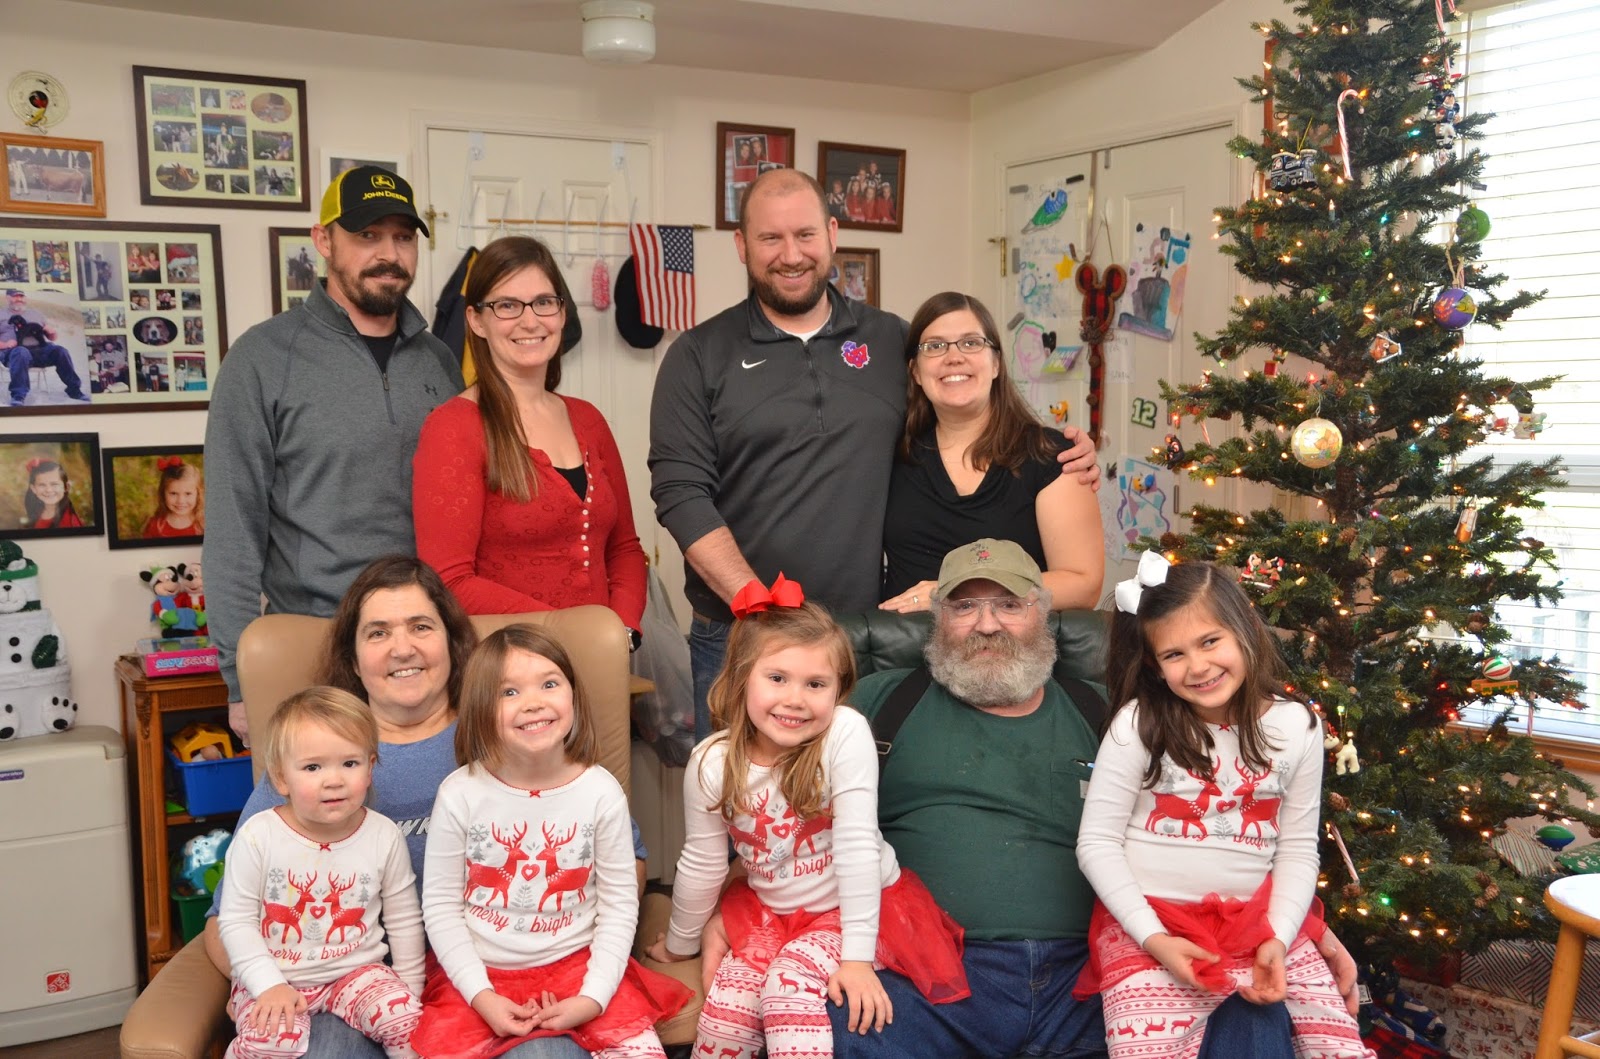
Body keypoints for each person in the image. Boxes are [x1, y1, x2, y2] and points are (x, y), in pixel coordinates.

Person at [803, 538, 1357, 1057]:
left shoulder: (1111, 712)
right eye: (964, 606)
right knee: (830, 1023)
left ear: (1043, 613)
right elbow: (781, 804)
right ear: (936, 618)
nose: (987, 624)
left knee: (1250, 1012)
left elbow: (1222, 816)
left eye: (1009, 605)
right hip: (928, 976)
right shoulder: (878, 702)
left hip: (1091, 975)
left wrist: (1299, 929)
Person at [649, 167, 1099, 741]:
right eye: (770, 238)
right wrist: (755, 603)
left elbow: (962, 404)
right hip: (741, 633)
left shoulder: (891, 341)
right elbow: (680, 491)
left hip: (867, 635)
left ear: (833, 235)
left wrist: (1060, 446)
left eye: (805, 235)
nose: (792, 254)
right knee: (740, 790)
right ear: (742, 245)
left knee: (862, 790)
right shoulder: (697, 354)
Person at [202, 556, 594, 1059]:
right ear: (353, 656)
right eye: (378, 632)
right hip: (346, 984)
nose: (402, 648)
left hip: (501, 975)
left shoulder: (511, 732)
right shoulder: (309, 759)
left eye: (421, 627)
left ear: (452, 641)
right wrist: (263, 985)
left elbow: (618, 857)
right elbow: (225, 919)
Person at [646, 580, 967, 1058]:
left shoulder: (844, 733)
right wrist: (680, 942)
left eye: (815, 684)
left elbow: (857, 847)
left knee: (787, 987)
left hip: (861, 913)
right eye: (777, 678)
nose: (795, 699)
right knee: (727, 1009)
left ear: (838, 690)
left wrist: (856, 960)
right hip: (771, 911)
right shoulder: (711, 761)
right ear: (741, 678)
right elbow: (703, 861)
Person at [1074, 554, 1373, 1057]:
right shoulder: (1138, 724)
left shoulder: (1297, 726)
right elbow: (1096, 843)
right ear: (1154, 666)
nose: (1198, 666)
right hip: (1152, 926)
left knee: (1340, 1044)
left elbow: (1298, 849)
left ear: (1245, 631)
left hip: (1260, 926)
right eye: (1174, 654)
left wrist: (1279, 937)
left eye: (1210, 641)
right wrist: (1153, 938)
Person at [205, 166, 462, 744]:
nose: (389, 254)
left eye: (402, 237)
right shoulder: (261, 358)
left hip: (426, 649)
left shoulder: (439, 360)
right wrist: (239, 680)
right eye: (367, 235)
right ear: (323, 241)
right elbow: (232, 527)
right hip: (314, 646)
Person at [412, 625, 691, 1059]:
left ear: (573, 695)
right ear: (481, 707)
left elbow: (619, 907)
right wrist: (482, 997)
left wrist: (593, 997)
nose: (534, 702)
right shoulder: (459, 793)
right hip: (481, 978)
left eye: (549, 684)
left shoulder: (600, 792)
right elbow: (441, 908)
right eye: (509, 692)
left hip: (581, 969)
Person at [412, 237, 646, 642]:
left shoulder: (588, 419)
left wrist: (622, 630)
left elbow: (624, 548)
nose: (530, 320)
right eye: (507, 305)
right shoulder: (453, 427)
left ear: (562, 313)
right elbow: (449, 581)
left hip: (598, 656)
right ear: (476, 321)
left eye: (543, 302)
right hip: (506, 661)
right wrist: (570, 634)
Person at [216, 687, 425, 1059]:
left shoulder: (383, 834)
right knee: (273, 1040)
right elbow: (235, 922)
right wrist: (266, 984)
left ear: (370, 768)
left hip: (357, 973)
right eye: (313, 767)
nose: (334, 780)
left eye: (350, 763)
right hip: (276, 977)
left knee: (405, 1019)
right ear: (281, 778)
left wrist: (410, 988)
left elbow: (404, 919)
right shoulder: (258, 837)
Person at [880, 292, 1102, 614]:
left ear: (996, 363)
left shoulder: (1053, 456)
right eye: (935, 346)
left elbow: (1083, 585)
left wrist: (952, 594)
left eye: (971, 343)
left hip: (1010, 645)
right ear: (915, 371)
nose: (954, 357)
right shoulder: (889, 451)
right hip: (902, 642)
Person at [1, 288, 89, 404]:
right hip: (13, 353)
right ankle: (18, 396)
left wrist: (52, 332)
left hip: (40, 351)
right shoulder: (1, 314)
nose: (19, 299)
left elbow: (52, 338)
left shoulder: (36, 314)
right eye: (15, 296)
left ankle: (74, 390)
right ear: (8, 298)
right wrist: (5, 344)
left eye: (21, 296)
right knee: (21, 352)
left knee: (61, 351)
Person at [141, 455, 204, 537]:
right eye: (173, 493)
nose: (180, 501)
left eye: (188, 493)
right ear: (163, 493)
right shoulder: (155, 526)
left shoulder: (205, 524)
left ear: (198, 494)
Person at [22, 457, 82, 529]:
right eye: (42, 485)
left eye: (54, 484)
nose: (49, 490)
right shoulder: (36, 513)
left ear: (66, 487)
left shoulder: (70, 522)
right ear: (33, 489)